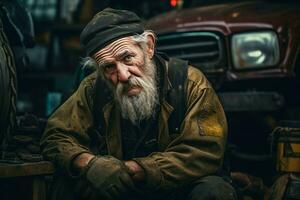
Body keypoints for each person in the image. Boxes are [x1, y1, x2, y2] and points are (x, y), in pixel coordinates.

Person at [40, 8, 237, 200]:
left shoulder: (192, 85)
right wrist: (88, 163)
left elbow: (205, 152)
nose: (123, 75)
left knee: (214, 191)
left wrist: (136, 169)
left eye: (127, 58)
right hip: (120, 191)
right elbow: (55, 135)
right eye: (109, 67)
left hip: (177, 189)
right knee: (64, 185)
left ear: (149, 47)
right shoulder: (93, 89)